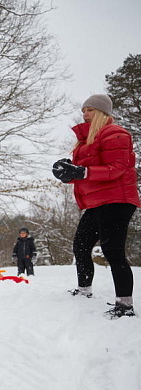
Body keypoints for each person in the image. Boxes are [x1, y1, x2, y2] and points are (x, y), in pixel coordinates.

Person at [52, 94, 139, 319]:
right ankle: (84, 290)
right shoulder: (85, 141)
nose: (85, 114)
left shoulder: (115, 134)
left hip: (117, 200)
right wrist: (68, 173)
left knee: (113, 251)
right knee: (80, 246)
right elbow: (87, 174)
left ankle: (125, 305)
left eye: (90, 110)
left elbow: (117, 168)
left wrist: (82, 172)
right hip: (97, 201)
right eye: (83, 110)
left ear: (102, 112)